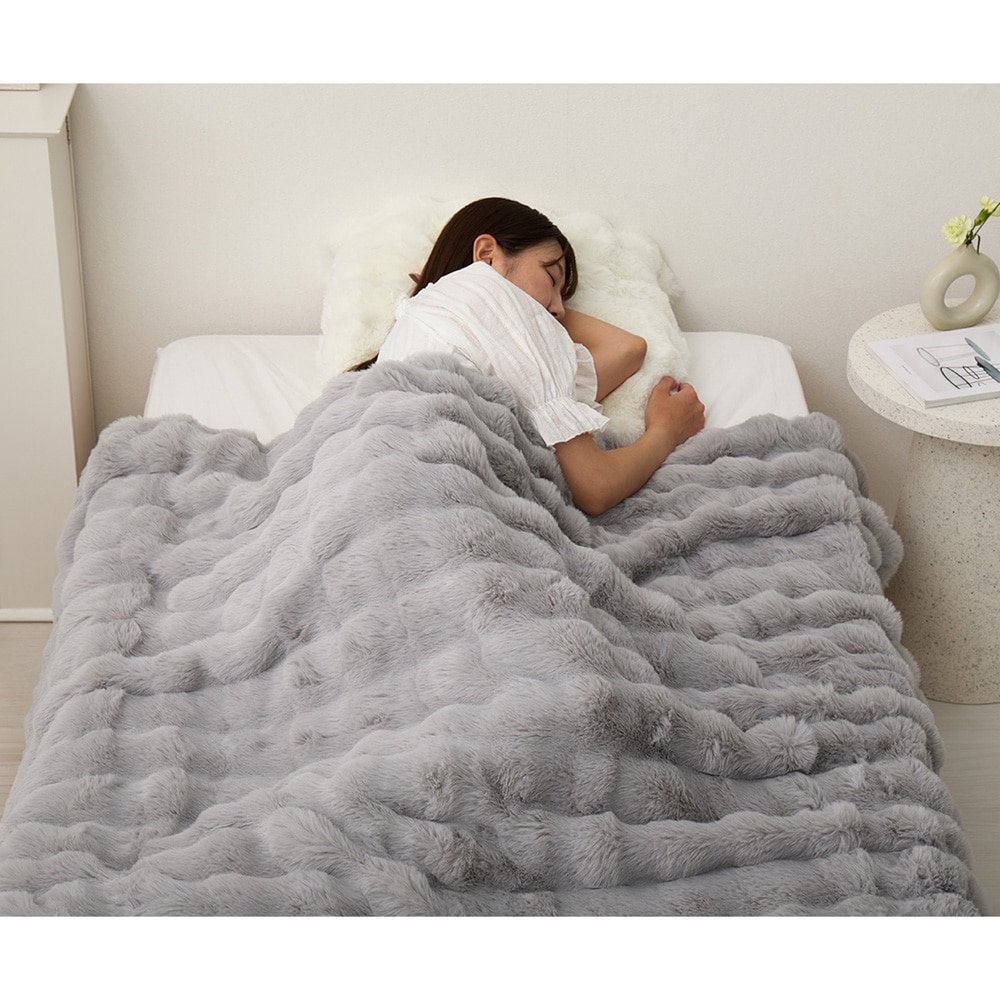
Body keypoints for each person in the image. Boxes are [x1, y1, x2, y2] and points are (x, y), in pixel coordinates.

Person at [376, 197, 705, 515]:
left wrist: (535, 302)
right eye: (551, 276)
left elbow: (627, 350)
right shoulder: (496, 310)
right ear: (487, 255)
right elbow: (596, 486)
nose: (559, 310)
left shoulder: (414, 325)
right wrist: (667, 431)